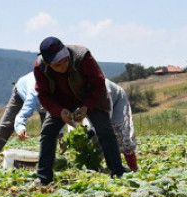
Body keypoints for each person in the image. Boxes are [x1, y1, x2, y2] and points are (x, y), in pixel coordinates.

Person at [34, 36, 126, 185]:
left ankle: (118, 173)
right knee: (48, 131)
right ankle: (43, 177)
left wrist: (86, 106)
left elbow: (98, 84)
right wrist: (59, 111)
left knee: (104, 130)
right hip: (61, 101)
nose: (63, 66)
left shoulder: (82, 57)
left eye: (65, 60)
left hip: (90, 96)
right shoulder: (40, 67)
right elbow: (43, 94)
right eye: (57, 64)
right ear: (47, 63)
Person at [0, 72, 45, 171]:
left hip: (45, 97)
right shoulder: (33, 95)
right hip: (21, 93)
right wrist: (21, 129)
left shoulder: (58, 93)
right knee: (5, 126)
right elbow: (21, 116)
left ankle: (46, 162)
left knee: (50, 130)